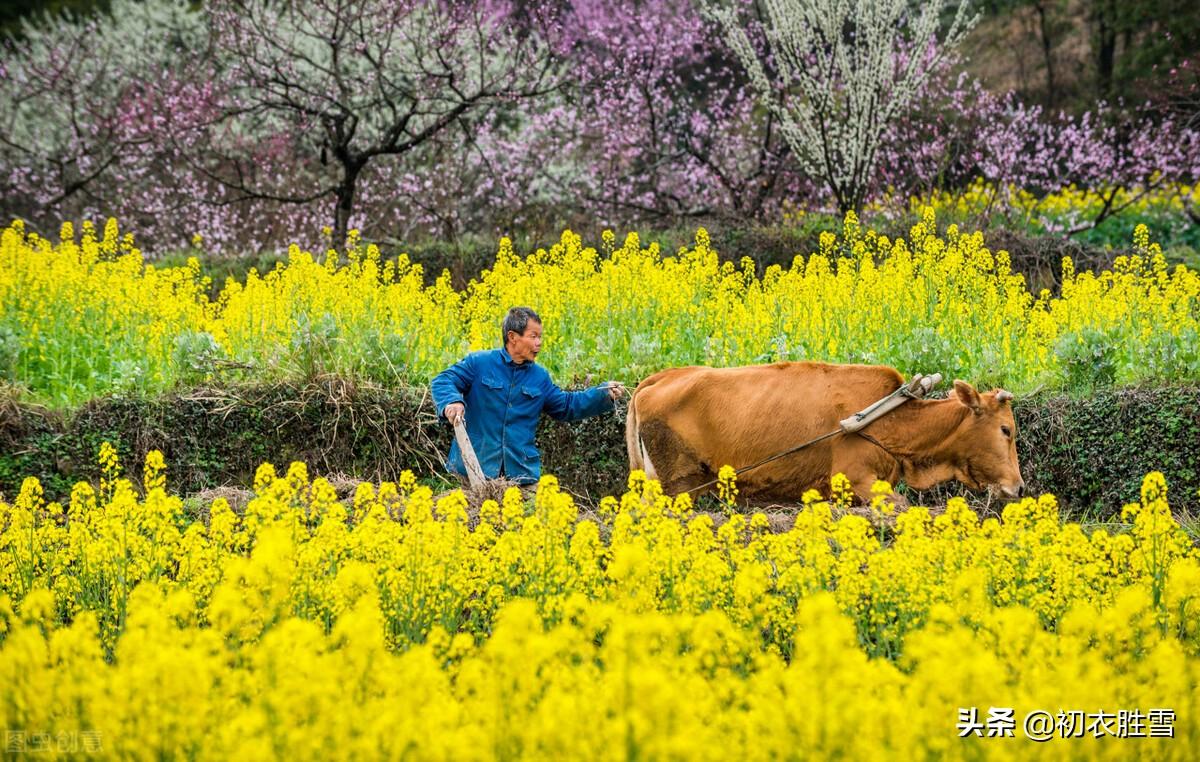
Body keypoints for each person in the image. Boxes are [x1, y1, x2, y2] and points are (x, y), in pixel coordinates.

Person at [431, 306, 625, 487]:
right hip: (473, 471)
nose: (539, 343)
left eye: (540, 337)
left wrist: (603, 394)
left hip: (521, 475)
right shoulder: (479, 363)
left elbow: (566, 405)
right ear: (513, 337)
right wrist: (452, 401)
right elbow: (443, 380)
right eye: (533, 336)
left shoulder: (540, 377)